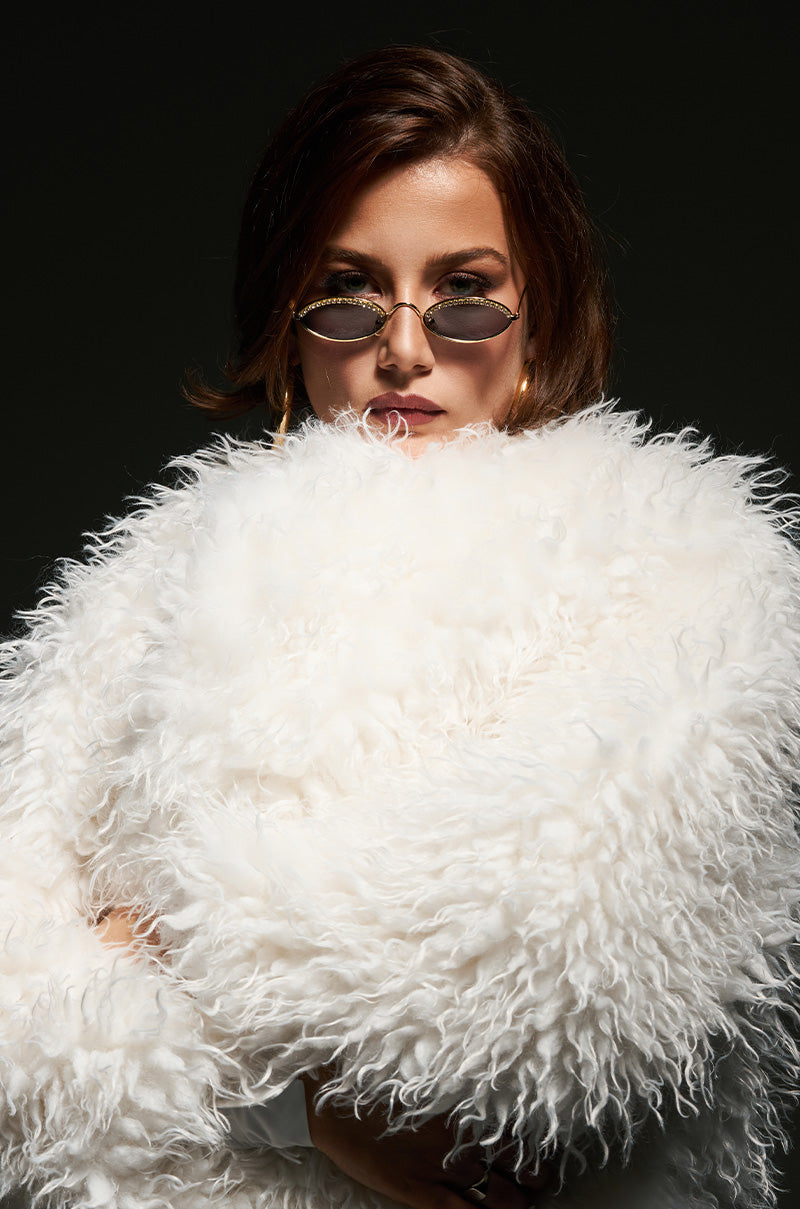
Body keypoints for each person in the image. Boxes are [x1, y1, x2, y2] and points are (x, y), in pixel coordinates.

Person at [1, 45, 798, 1209]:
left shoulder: (689, 574)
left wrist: (157, 940)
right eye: (348, 292)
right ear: (288, 315)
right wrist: (312, 1103)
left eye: (465, 292)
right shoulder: (148, 584)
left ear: (542, 316)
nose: (405, 348)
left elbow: (522, 1053)